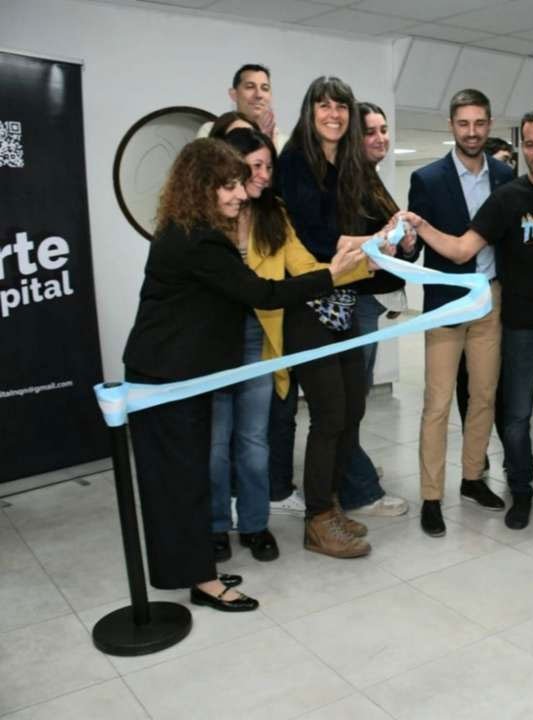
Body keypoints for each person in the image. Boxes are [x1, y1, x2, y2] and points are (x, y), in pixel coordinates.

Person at [122, 138, 365, 611]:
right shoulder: (199, 239)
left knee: (184, 480)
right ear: (201, 187)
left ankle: (197, 572)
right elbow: (263, 293)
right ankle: (203, 581)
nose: (241, 194)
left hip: (178, 373)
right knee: (181, 484)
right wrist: (331, 275)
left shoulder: (188, 229)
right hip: (167, 377)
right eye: (229, 185)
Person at [398, 107, 533, 531]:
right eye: (530, 144)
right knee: (491, 412)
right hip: (501, 316)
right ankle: (481, 492)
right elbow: (459, 249)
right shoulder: (501, 193)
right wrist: (416, 227)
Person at [208, 128, 373, 564]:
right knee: (216, 442)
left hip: (261, 334)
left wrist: (369, 260)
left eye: (269, 166)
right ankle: (216, 527)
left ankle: (255, 525)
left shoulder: (273, 213)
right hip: (215, 339)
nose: (265, 175)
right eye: (256, 166)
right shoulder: (206, 217)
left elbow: (304, 267)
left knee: (253, 440)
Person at [276, 76, 407, 558]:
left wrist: (387, 236)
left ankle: (330, 504)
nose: (333, 115)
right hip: (308, 303)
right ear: (309, 112)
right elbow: (312, 239)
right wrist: (370, 244)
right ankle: (317, 520)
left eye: (341, 107)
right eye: (324, 106)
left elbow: (353, 234)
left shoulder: (349, 167)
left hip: (346, 299)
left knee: (352, 408)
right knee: (329, 412)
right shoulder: (294, 161)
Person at [407, 89, 514, 537]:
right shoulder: (427, 179)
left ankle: (472, 478)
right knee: (437, 402)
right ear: (451, 125)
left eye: (480, 123)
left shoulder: (506, 176)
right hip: (446, 303)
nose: (472, 132)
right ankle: (431, 496)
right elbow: (414, 248)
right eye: (464, 123)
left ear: (490, 124)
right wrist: (407, 242)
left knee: (484, 395)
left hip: (490, 300)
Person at [334, 101, 411, 518]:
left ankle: (347, 471)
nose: (381, 138)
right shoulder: (349, 183)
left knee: (355, 398)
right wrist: (384, 238)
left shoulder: (371, 178)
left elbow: (385, 243)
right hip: (355, 302)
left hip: (370, 303)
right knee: (349, 402)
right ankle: (357, 489)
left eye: (383, 129)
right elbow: (349, 245)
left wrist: (405, 241)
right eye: (370, 131)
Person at [197, 63, 287, 151]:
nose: (259, 95)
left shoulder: (284, 142)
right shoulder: (210, 130)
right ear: (234, 94)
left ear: (270, 96)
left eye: (265, 88)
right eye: (250, 87)